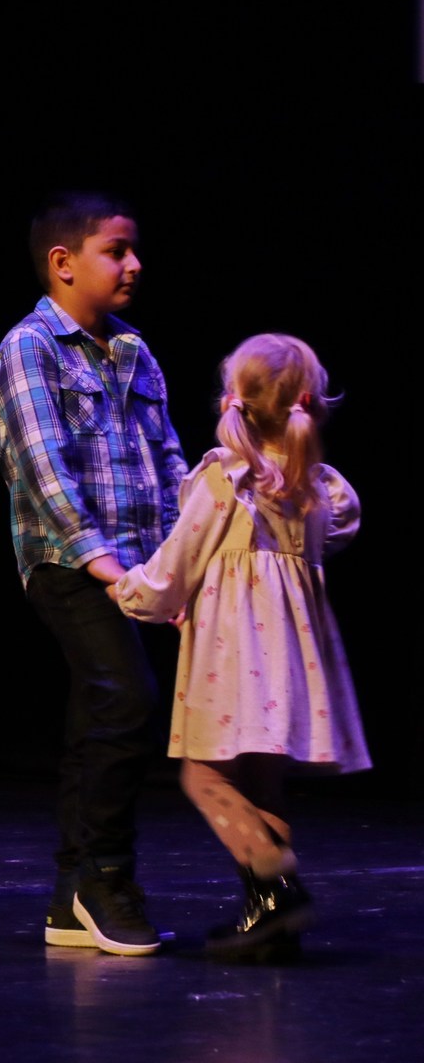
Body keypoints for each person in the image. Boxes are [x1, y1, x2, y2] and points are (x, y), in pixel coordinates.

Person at [111, 333, 367, 960]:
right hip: (293, 662)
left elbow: (177, 565)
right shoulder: (320, 486)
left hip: (231, 659)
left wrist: (128, 589)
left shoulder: (226, 480)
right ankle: (272, 927)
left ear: (237, 400)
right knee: (262, 785)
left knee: (204, 778)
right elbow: (336, 534)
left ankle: (279, 887)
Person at [0, 192, 188, 955]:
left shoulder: (134, 348)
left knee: (102, 710)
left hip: (139, 566)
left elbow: (168, 461)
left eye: (134, 249)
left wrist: (179, 566)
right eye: (116, 250)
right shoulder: (29, 348)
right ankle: (105, 876)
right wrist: (106, 567)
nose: (134, 264)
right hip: (69, 562)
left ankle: (71, 898)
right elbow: (44, 469)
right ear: (63, 263)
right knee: (125, 697)